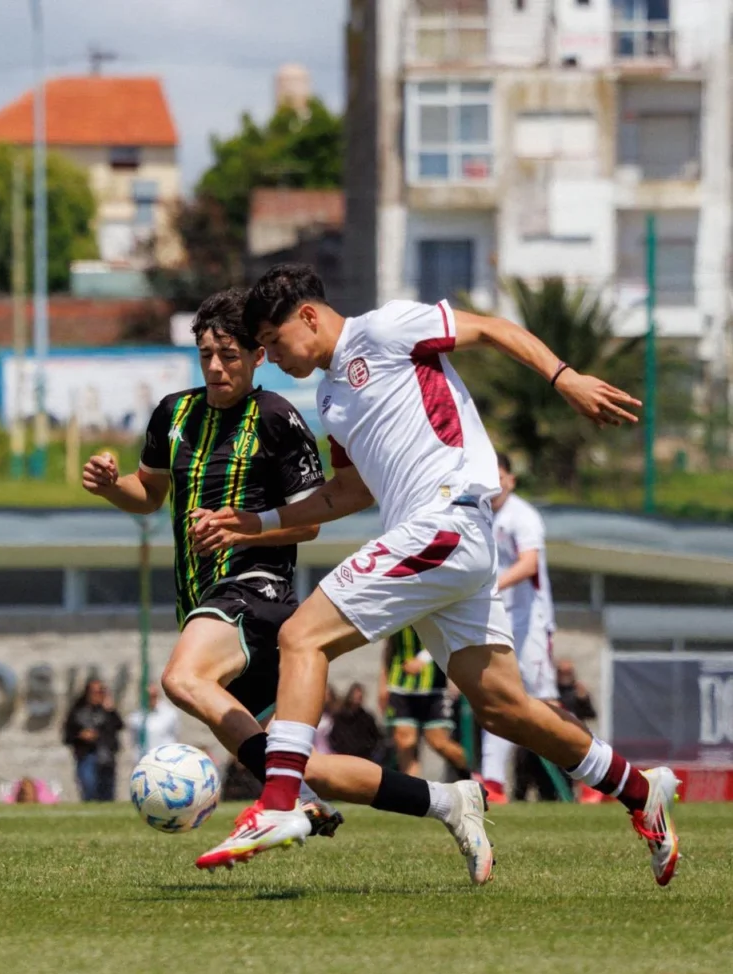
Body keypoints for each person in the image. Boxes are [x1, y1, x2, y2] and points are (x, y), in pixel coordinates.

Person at [192, 263, 681, 888]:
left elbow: (493, 329)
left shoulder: (388, 328)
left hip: (445, 521)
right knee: (505, 709)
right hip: (437, 546)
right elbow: (347, 493)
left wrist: (565, 377)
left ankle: (279, 804)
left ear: (308, 316)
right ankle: (640, 791)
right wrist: (254, 522)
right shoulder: (330, 398)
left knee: (300, 637)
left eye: (273, 342)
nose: (271, 357)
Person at [83, 287, 481, 868]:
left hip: (255, 593)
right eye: (207, 356)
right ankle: (446, 800)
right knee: (295, 761)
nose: (217, 367)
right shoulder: (173, 413)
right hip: (204, 601)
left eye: (231, 356)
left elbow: (309, 526)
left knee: (181, 678)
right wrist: (109, 485)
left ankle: (284, 802)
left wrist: (241, 531)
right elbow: (148, 495)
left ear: (257, 356)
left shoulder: (279, 418)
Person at [480, 452, 557, 803]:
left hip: (532, 625)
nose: (493, 483)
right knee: (496, 697)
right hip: (501, 622)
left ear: (511, 479)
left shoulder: (522, 516)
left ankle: (594, 770)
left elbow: (529, 565)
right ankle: (493, 782)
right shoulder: (480, 516)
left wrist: (492, 586)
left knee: (547, 703)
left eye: (498, 475)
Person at [379, 626, 469, 780]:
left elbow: (448, 639)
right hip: (400, 686)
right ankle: (413, 791)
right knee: (405, 741)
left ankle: (469, 774)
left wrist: (422, 659)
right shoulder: (396, 613)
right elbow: (389, 647)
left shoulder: (433, 608)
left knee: (438, 742)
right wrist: (383, 683)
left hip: (434, 688)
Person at [63, 679, 123, 802]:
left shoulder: (107, 712)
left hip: (106, 757)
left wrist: (111, 710)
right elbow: (67, 736)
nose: (97, 695)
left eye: (101, 692)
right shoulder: (78, 712)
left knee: (107, 793)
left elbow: (119, 725)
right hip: (87, 756)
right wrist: (81, 735)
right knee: (89, 788)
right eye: (94, 692)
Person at [328, 683, 385, 763]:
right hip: (344, 758)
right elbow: (335, 736)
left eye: (359, 697)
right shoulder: (341, 717)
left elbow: (375, 736)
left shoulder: (367, 718)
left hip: (363, 758)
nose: (357, 699)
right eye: (355, 696)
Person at [126, 685, 180, 758]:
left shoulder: (170, 714)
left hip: (164, 761)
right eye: (147, 696)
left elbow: (175, 735)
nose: (150, 699)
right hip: (142, 761)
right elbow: (133, 740)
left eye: (153, 696)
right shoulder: (135, 717)